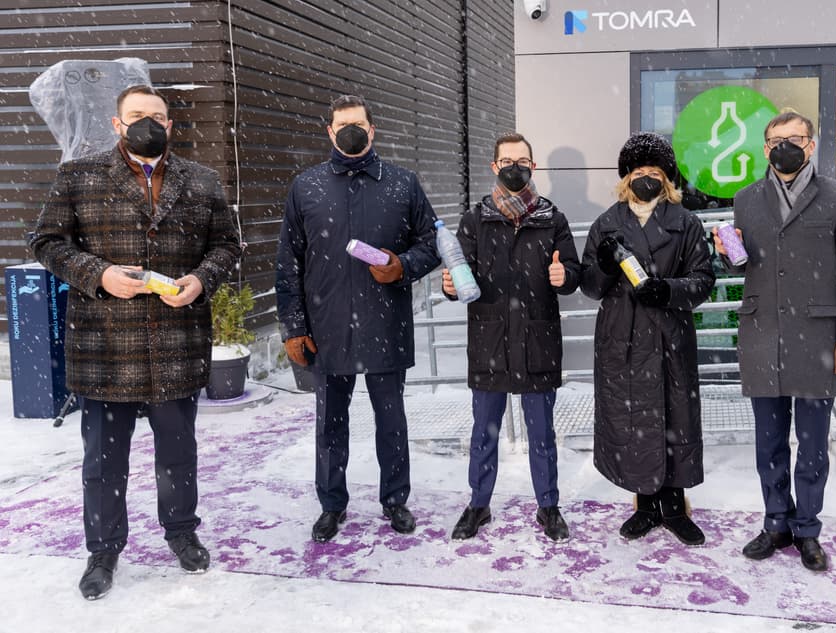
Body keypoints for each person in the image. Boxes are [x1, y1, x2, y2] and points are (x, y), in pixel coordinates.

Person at [30, 84, 242, 599]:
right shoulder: (77, 177)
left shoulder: (203, 179)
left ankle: (181, 532)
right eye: (138, 115)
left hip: (176, 340)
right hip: (105, 347)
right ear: (117, 124)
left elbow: (226, 245)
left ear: (171, 125)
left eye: (158, 116)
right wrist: (97, 274)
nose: (149, 123)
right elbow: (46, 242)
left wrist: (200, 280)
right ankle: (102, 551)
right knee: (103, 460)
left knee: (178, 452)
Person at [275, 94, 440, 543]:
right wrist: (293, 326)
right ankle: (332, 504)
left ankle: (395, 500)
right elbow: (288, 262)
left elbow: (430, 243)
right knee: (330, 423)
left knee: (391, 421)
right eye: (342, 125)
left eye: (359, 125)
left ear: (373, 130)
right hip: (326, 330)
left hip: (385, 323)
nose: (351, 131)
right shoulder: (305, 187)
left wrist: (402, 265)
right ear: (330, 132)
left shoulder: (403, 184)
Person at [714, 111, 836, 572]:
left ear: (811, 145)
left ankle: (807, 529)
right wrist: (728, 257)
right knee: (769, 443)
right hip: (764, 336)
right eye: (775, 139)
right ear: (764, 149)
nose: (785, 146)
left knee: (813, 444)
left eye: (795, 138)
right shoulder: (746, 199)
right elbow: (745, 268)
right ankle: (775, 522)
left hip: (819, 338)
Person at [444, 132, 581, 542]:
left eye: (522, 160)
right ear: (495, 167)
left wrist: (565, 276)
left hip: (538, 339)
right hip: (490, 342)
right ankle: (478, 504)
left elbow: (573, 271)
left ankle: (548, 506)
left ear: (533, 167)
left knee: (542, 433)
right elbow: (459, 273)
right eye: (507, 161)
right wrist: (450, 285)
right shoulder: (475, 219)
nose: (515, 167)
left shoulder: (552, 218)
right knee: (484, 430)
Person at [580, 132, 714, 547]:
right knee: (635, 420)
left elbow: (704, 279)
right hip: (623, 338)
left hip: (670, 336)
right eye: (639, 171)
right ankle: (645, 506)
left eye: (654, 172)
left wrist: (668, 290)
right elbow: (590, 285)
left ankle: (674, 508)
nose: (646, 178)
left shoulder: (686, 223)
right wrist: (602, 266)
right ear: (626, 177)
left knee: (675, 418)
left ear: (667, 178)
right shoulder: (608, 223)